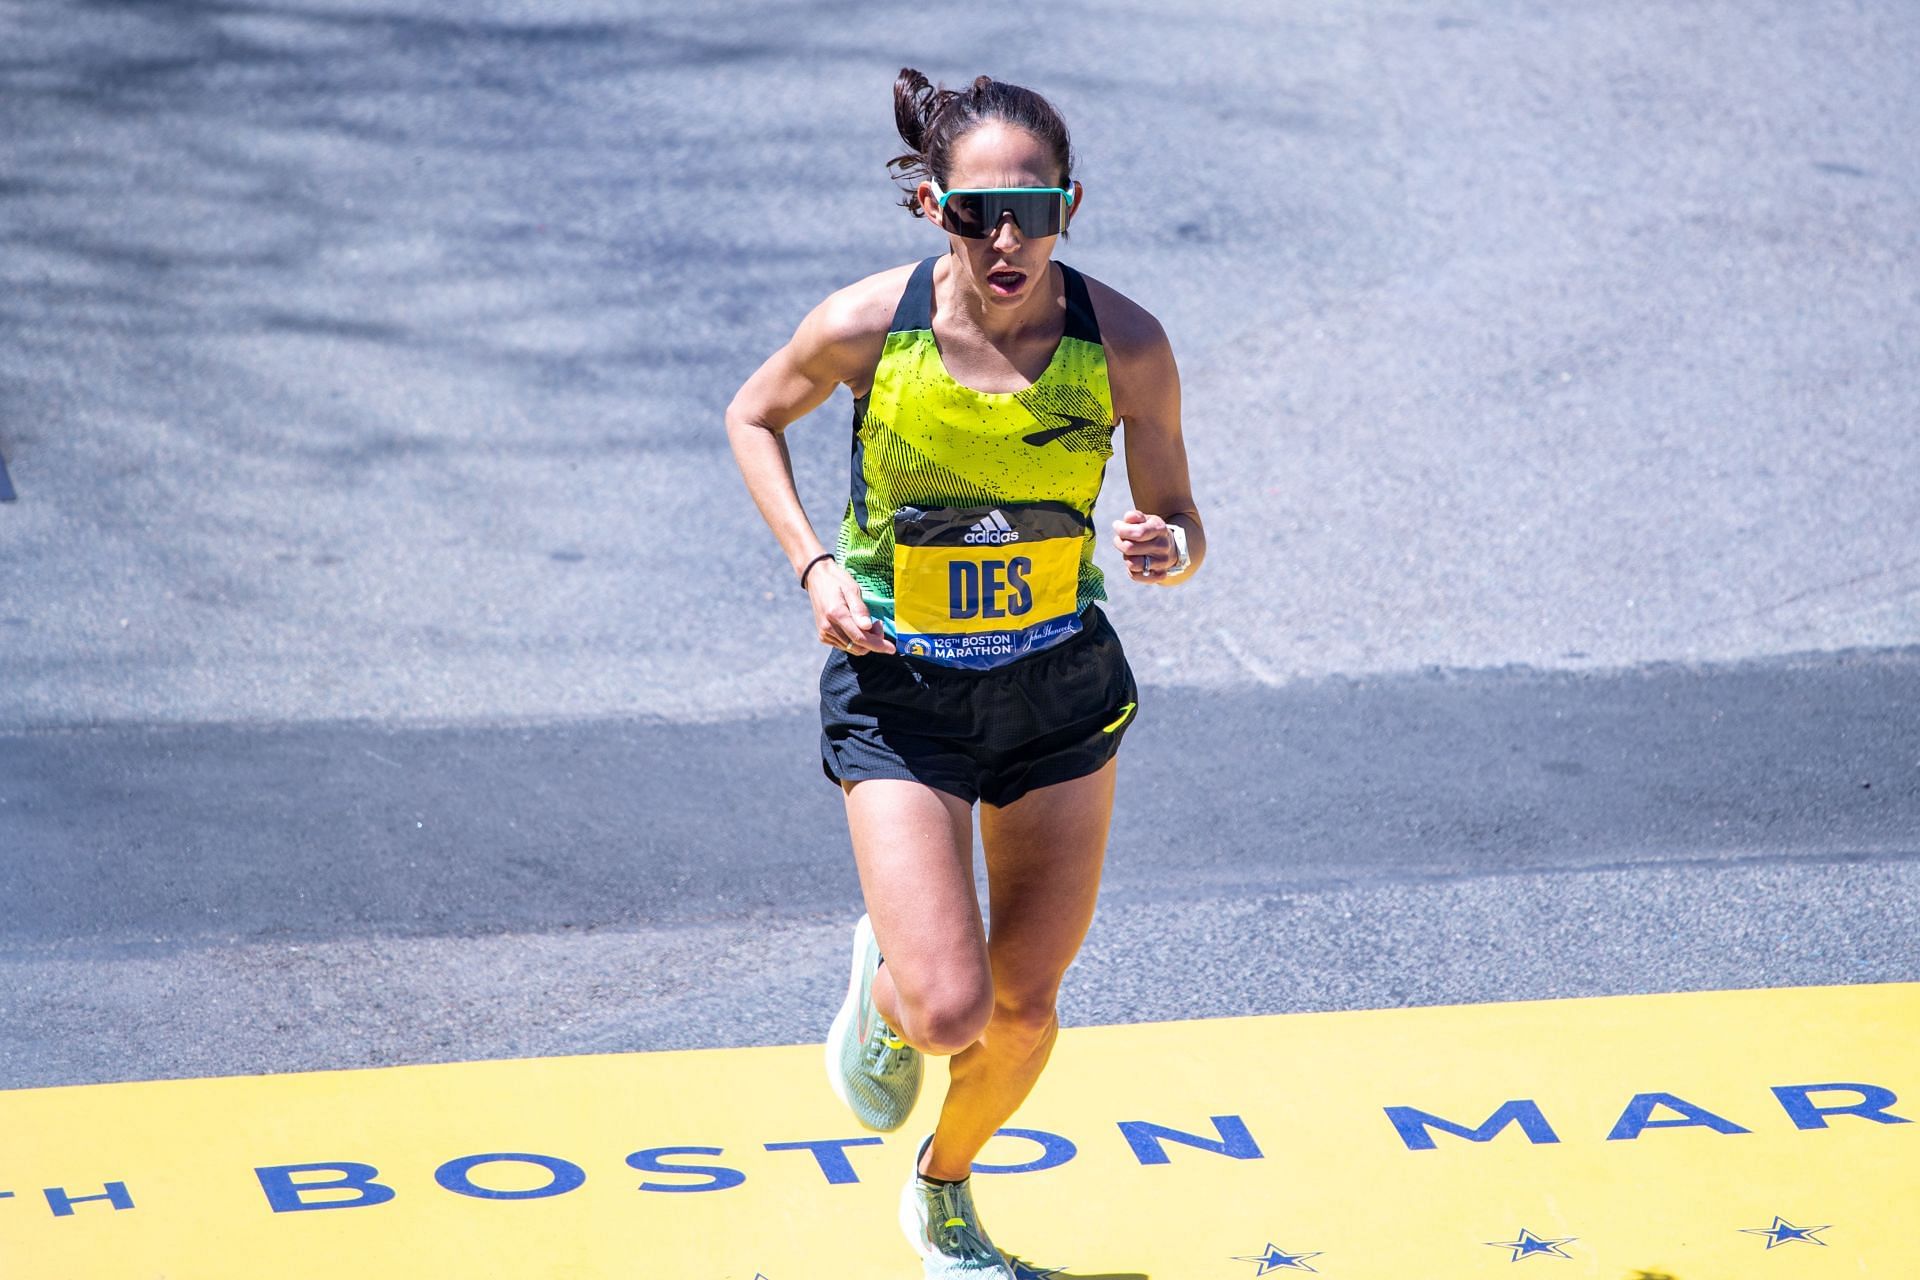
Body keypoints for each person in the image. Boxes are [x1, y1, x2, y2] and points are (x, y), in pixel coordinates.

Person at [724, 67, 1204, 1278]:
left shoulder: (1127, 346)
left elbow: (1182, 516)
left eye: (1032, 211)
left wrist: (1169, 549)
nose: (1006, 239)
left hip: (1059, 693)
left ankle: (944, 1194)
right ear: (932, 209)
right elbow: (750, 416)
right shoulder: (863, 328)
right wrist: (813, 566)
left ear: (1069, 209)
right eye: (975, 212)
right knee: (948, 1008)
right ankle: (887, 976)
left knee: (1025, 1009)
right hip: (904, 693)